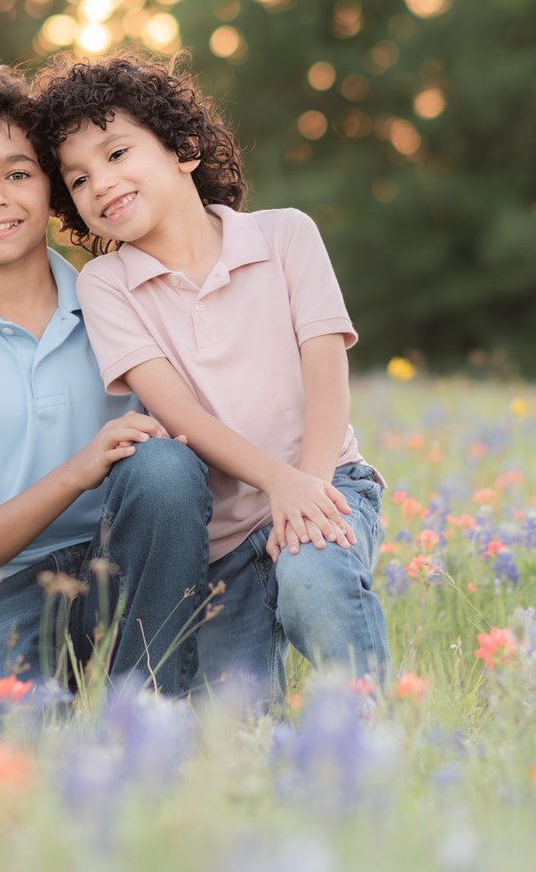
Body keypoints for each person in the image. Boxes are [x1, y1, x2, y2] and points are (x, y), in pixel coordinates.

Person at [31, 52, 391, 698]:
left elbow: (327, 372)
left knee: (314, 580)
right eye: (78, 178)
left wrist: (303, 491)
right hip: (221, 541)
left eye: (116, 154)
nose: (101, 183)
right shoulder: (107, 284)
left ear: (184, 149)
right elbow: (180, 415)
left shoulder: (285, 236)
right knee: (235, 724)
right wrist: (274, 484)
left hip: (324, 480)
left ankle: (373, 732)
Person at [0, 57, 213, 712]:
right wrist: (81, 468)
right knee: (18, 747)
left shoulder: (117, 298)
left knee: (168, 465)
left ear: (51, 188)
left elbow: (183, 464)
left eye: (19, 173)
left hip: (123, 564)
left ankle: (152, 710)